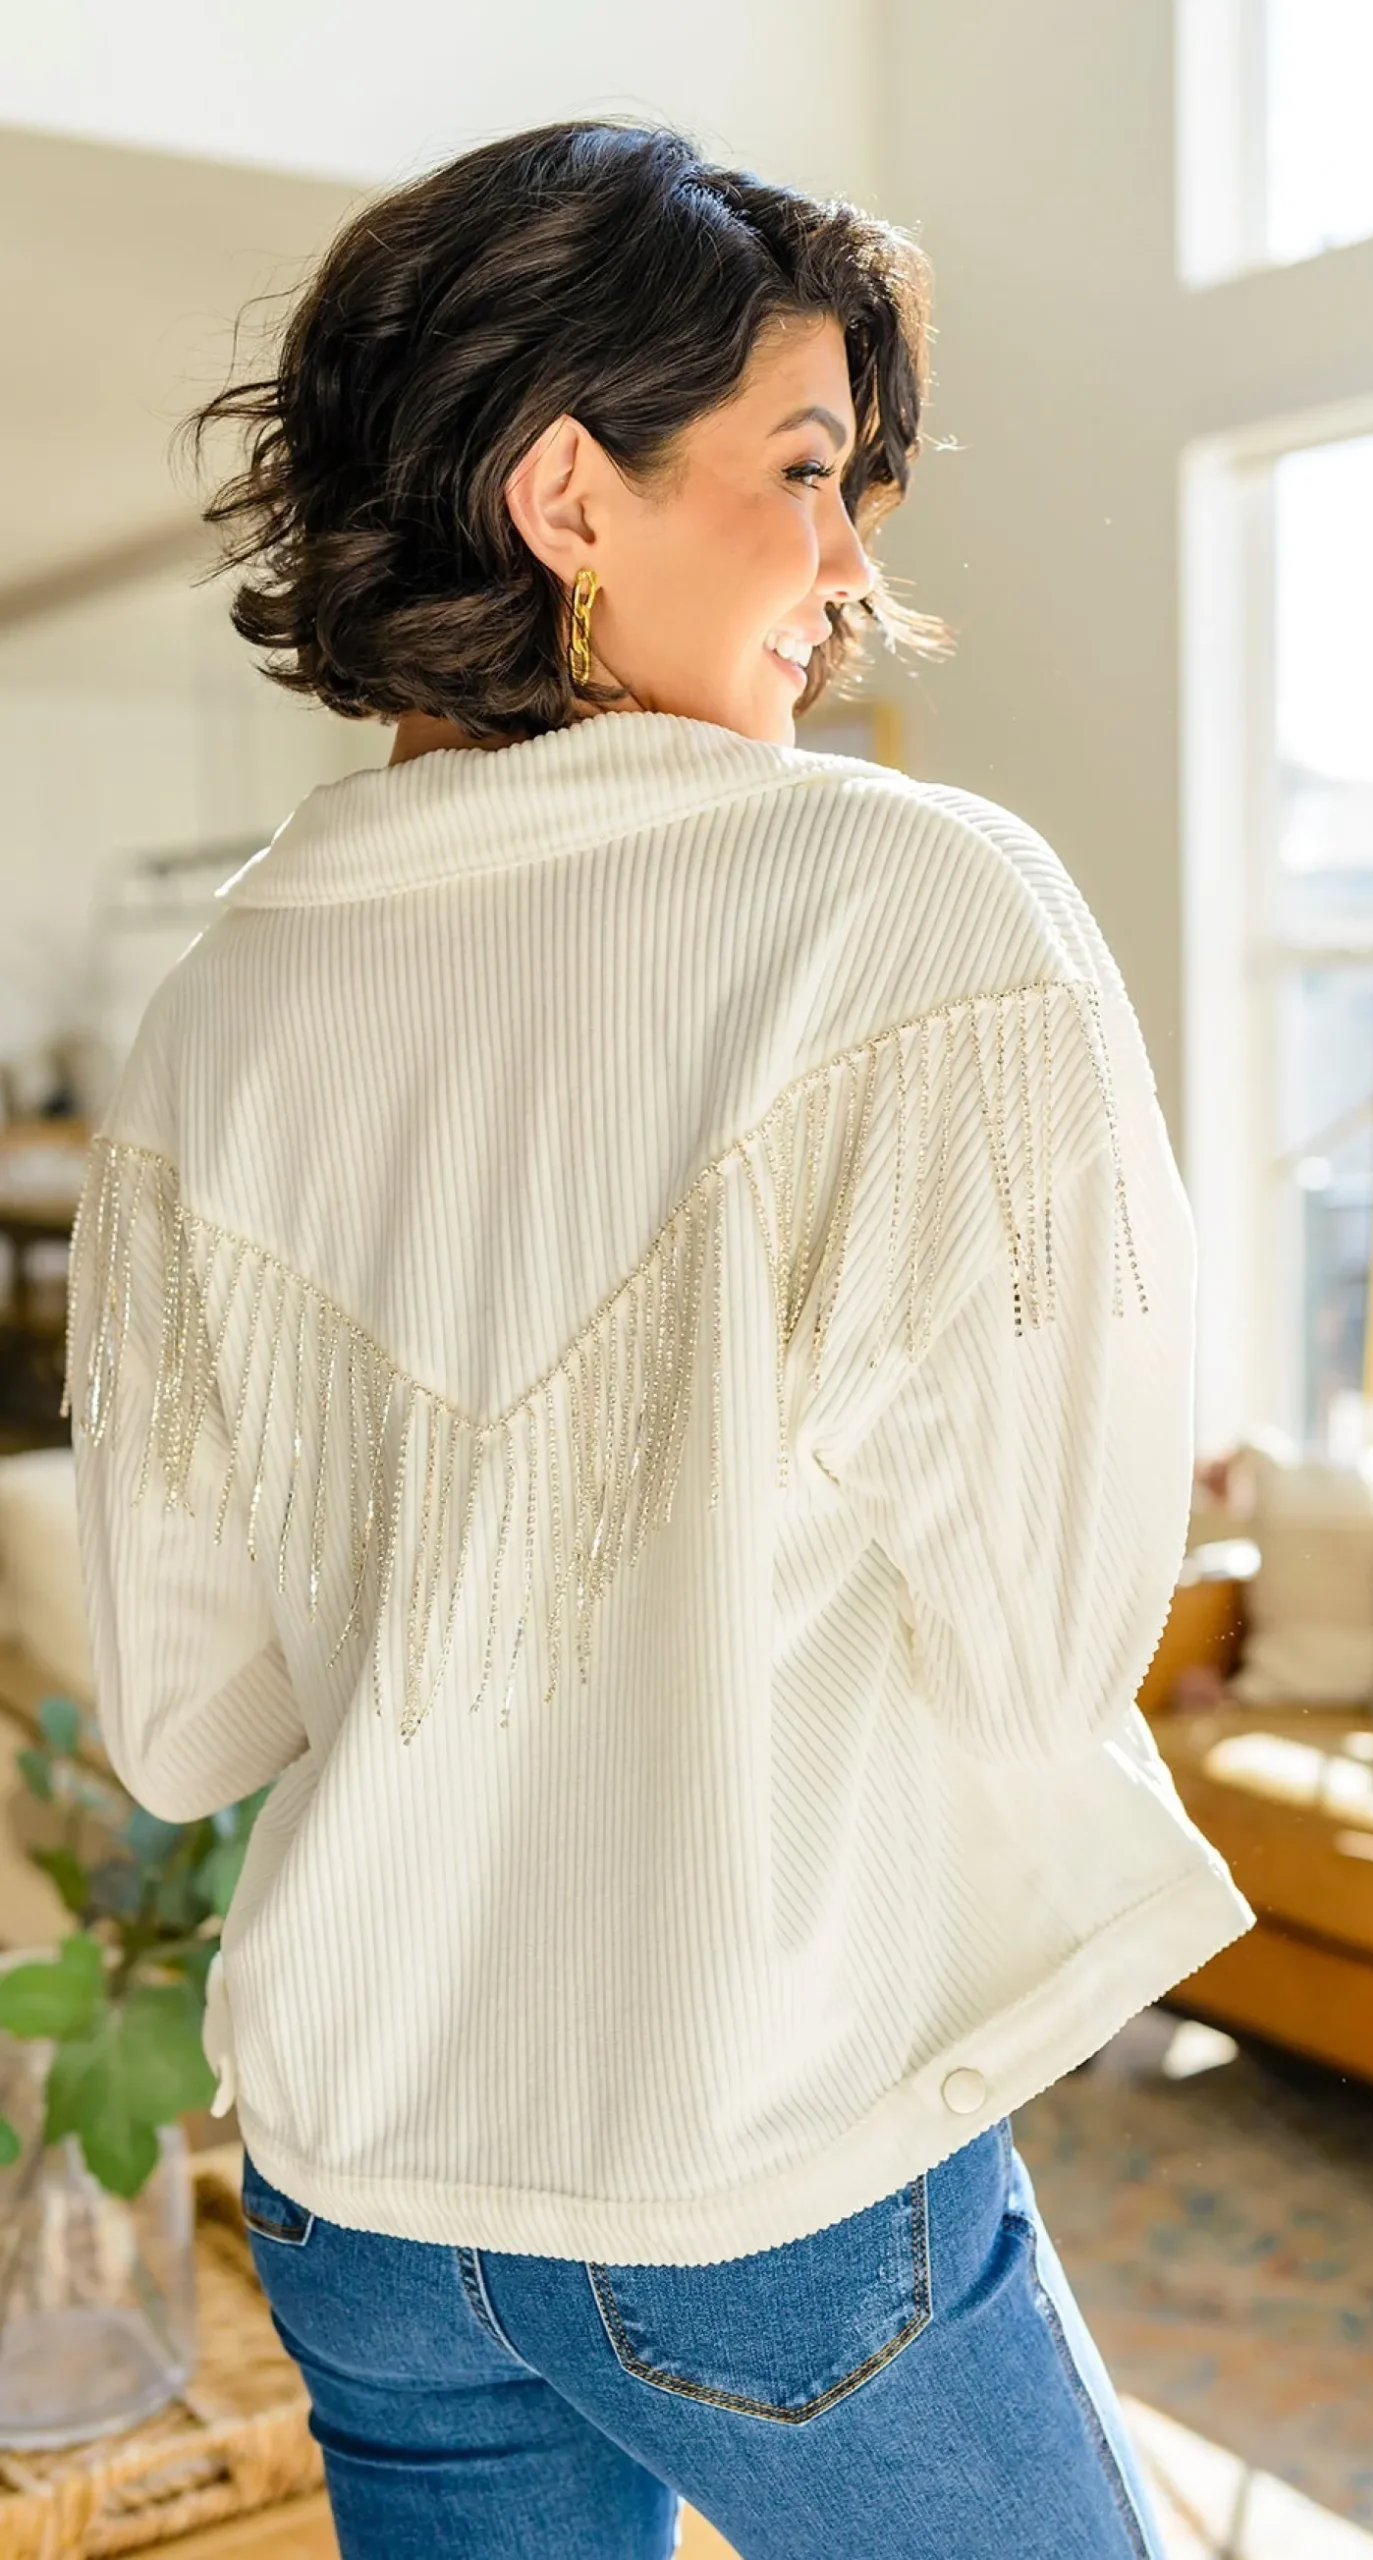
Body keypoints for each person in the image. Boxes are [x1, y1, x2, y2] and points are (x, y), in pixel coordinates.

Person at [67, 118, 1251, 2560]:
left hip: (359, 2184)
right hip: (755, 2151)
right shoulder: (911, 902)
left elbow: (186, 1713)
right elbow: (1047, 1638)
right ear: (563, 493)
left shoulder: (212, 1012)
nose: (848, 568)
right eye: (803, 472)